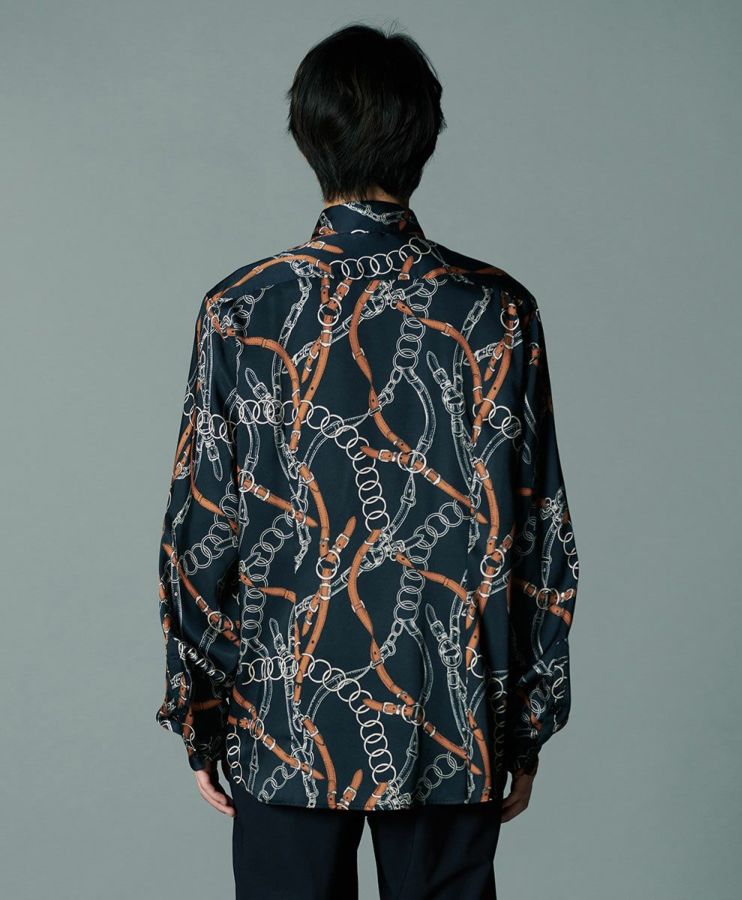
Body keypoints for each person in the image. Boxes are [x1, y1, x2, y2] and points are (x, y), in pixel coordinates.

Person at [155, 21, 580, 900]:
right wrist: (525, 724)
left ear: (308, 138)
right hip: (450, 713)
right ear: (425, 139)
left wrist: (201, 713)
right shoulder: (496, 312)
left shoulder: (243, 309)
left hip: (284, 714)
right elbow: (540, 534)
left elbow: (204, 530)